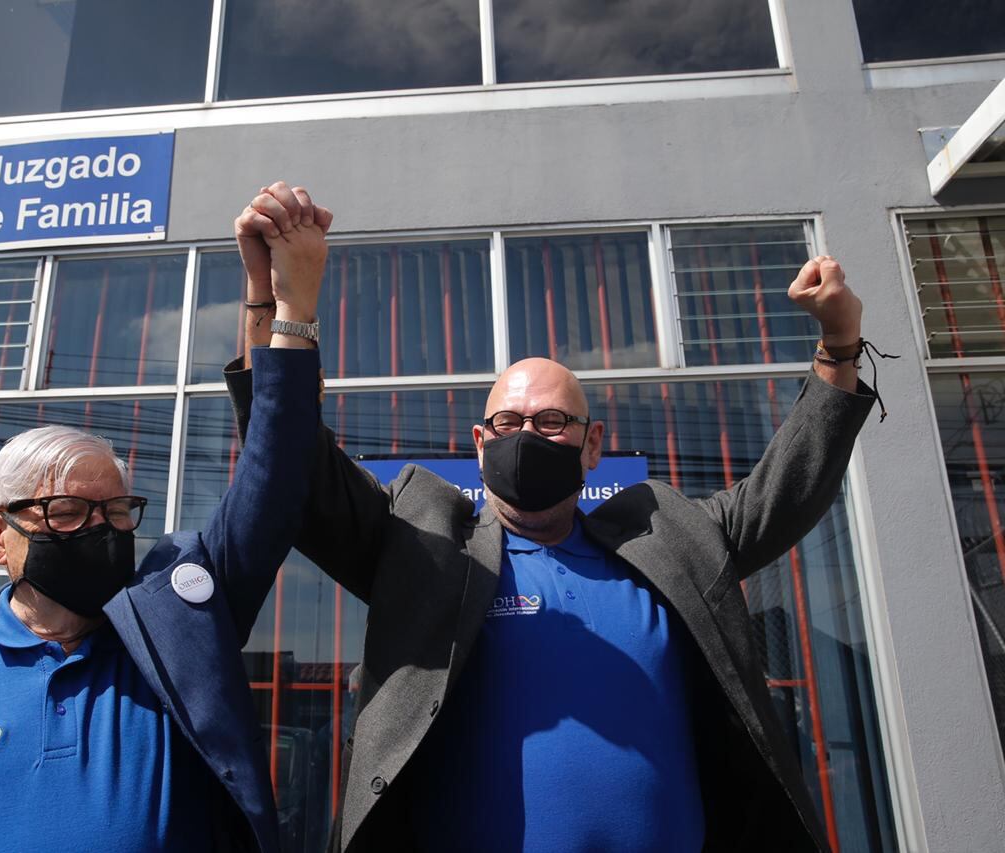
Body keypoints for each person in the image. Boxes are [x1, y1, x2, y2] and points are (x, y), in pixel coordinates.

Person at [227, 183, 878, 851]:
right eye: (508, 422)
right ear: (480, 445)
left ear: (593, 445)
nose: (527, 435)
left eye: (551, 422)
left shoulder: (668, 537)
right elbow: (290, 465)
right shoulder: (421, 548)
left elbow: (785, 491)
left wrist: (839, 341)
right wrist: (280, 303)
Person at [0, 186, 332, 853]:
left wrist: (284, 304)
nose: (101, 529)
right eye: (67, 511)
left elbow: (274, 476)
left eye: (116, 509)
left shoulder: (179, 625)